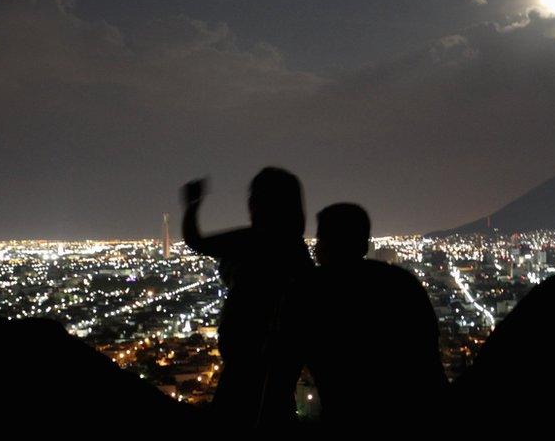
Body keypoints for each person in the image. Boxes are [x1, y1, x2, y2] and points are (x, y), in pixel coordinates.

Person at [181, 167, 313, 428]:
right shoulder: (297, 252)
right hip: (281, 357)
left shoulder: (255, 240)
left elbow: (196, 241)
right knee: (276, 409)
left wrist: (192, 206)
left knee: (236, 413)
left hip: (248, 354)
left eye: (255, 196)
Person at [299, 203, 447, 432]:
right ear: (364, 244)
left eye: (320, 239)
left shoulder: (317, 290)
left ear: (327, 244)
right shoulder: (402, 284)